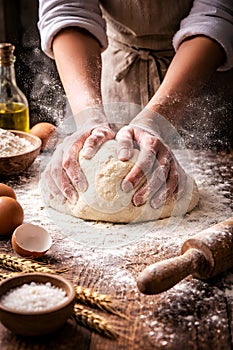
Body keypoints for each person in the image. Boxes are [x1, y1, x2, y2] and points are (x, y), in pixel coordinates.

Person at [38, 0, 233, 209]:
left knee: (216, 174)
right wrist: (89, 117)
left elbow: (216, 15)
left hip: (200, 80)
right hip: (108, 78)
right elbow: (68, 9)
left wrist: (157, 120)